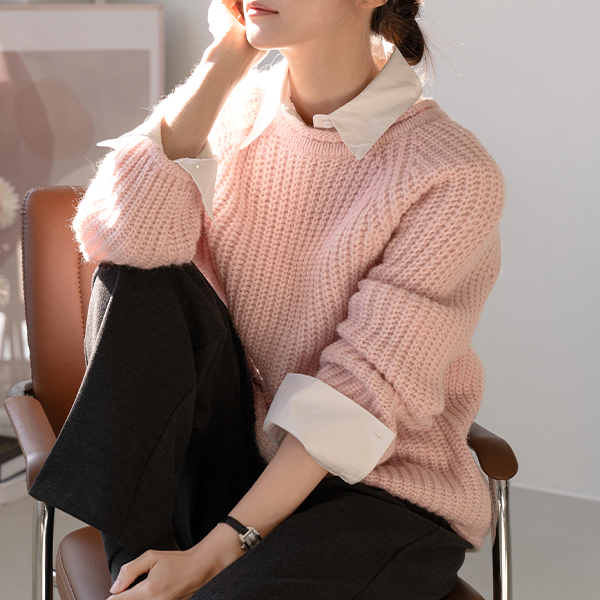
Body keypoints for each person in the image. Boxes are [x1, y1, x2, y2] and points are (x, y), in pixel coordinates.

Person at [30, 0, 505, 598]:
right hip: (227, 463)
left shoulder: (451, 173)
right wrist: (223, 63)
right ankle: (139, 573)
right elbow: (119, 242)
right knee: (139, 264)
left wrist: (215, 552)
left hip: (369, 488)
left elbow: (359, 394)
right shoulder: (231, 116)